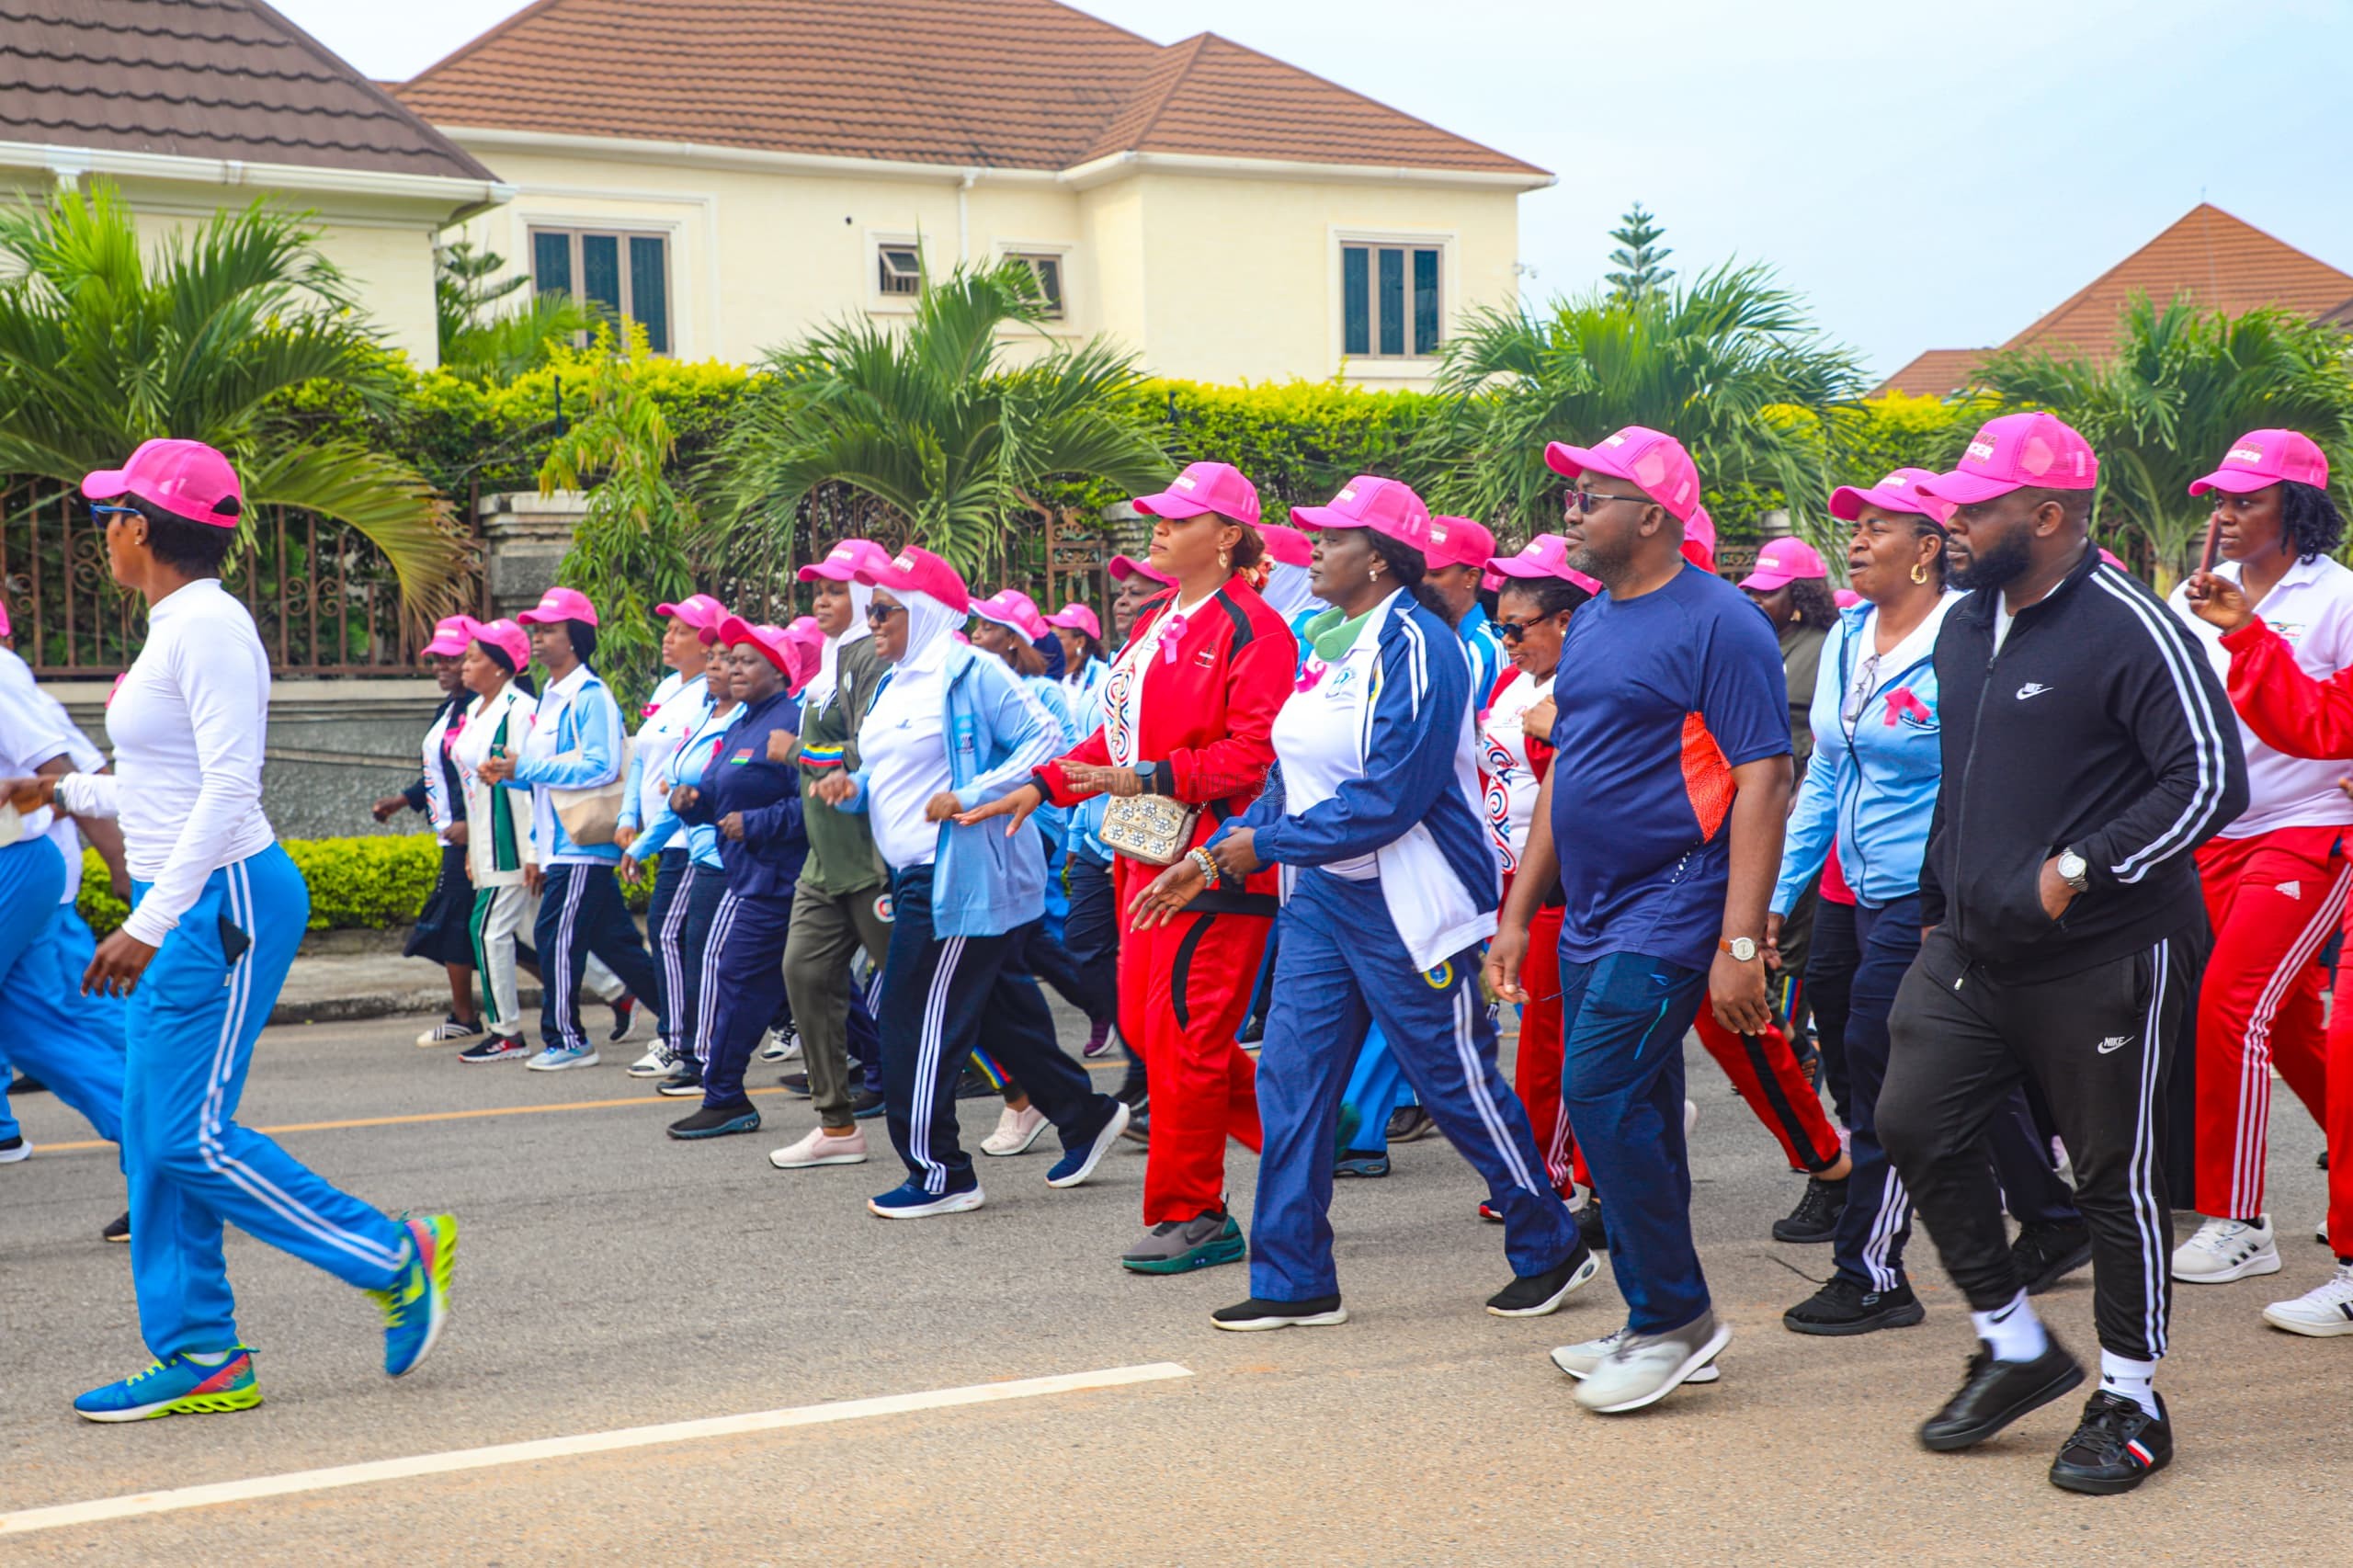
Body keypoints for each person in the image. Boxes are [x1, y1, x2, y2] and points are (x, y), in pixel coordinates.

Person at [12, 439, 454, 1421]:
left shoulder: (207, 626)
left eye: (108, 518)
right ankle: (202, 1352)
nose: (102, 535)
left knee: (184, 1132)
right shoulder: (176, 624)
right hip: (191, 893)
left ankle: (392, 1255)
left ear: (140, 527)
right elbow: (163, 783)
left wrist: (150, 920)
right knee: (151, 1135)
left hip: (223, 899)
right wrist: (60, 791)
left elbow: (228, 786)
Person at [1129, 475, 1596, 1329]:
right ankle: (1293, 1279)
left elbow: (1390, 797)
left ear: (1379, 559)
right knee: (1291, 1082)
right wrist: (1210, 857)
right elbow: (1290, 781)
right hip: (1323, 897)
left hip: (1408, 899)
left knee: (1453, 1081)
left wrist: (1261, 846)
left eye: (1333, 538)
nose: (1313, 550)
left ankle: (1548, 1243)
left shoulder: (1420, 645)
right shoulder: (1331, 644)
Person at [1880, 411, 2245, 1495]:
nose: (1952, 522)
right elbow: (1966, 779)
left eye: (1974, 507)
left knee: (2112, 1176)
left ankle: (2131, 1398)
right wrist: (1942, 896)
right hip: (1971, 944)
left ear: (2045, 517)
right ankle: (2014, 1342)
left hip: (2106, 949)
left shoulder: (2130, 626)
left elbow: (2210, 780)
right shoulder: (1963, 622)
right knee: (1910, 1120)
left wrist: (2079, 866)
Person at [1486, 425, 1789, 1415]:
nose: (1570, 510)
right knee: (1642, 1109)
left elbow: (1763, 777)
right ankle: (1654, 1315)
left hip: (1676, 896)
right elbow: (1567, 772)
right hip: (1593, 905)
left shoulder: (1721, 622)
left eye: (1592, 495)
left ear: (1652, 515)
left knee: (1599, 1091)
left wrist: (1739, 940)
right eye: (1572, 494)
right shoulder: (1597, 621)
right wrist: (1518, 912)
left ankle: (1676, 1319)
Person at [1768, 469, 2084, 1335]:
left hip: (1931, 895)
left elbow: (1988, 778)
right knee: (1914, 1062)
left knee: (1886, 1068)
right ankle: (2053, 1217)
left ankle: (1872, 1271)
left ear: (1929, 548)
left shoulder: (1970, 634)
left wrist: (1967, 894)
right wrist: (1778, 892)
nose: (1856, 539)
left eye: (1879, 526)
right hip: (1848, 889)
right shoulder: (1846, 636)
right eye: (1854, 525)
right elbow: (1826, 773)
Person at [972, 462, 1295, 1270]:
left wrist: (1147, 776)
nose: (1159, 526)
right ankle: (1300, 1133)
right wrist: (1045, 783)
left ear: (1227, 537)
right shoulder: (1158, 620)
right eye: (1160, 514)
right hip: (1141, 852)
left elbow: (1254, 757)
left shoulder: (1256, 629)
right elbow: (1117, 740)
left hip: (1214, 863)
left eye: (1180, 518)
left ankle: (1196, 1213)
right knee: (1152, 1031)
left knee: (1185, 1039)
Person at [824, 548, 1131, 1216]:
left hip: (955, 879)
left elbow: (1045, 740)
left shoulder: (971, 670)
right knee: (994, 1016)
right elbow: (893, 774)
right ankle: (1084, 1115)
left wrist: (971, 793)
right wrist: (855, 788)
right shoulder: (892, 681)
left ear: (928, 612)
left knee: (912, 1019)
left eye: (886, 610)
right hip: (912, 873)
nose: (872, 621)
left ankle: (941, 1173)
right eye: (871, 610)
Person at [2161, 431, 2353, 1287]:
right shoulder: (2191, 595)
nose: (2227, 515)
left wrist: (2248, 635)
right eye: (2221, 501)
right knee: (2293, 1027)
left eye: (2248, 501)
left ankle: (2239, 1219)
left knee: (2230, 1006)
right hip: (2217, 833)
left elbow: (2325, 727)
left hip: (2313, 826)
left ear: (2296, 509)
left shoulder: (2341, 598)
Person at [476, 587, 663, 1071]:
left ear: (576, 638)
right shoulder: (553, 699)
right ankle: (687, 1021)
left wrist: (527, 766)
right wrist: (513, 774)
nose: (538, 638)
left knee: (555, 936)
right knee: (619, 947)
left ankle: (568, 1039)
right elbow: (549, 780)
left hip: (581, 846)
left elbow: (600, 766)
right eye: (536, 630)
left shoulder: (589, 696)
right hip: (561, 844)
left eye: (549, 630)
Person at [1473, 534, 1597, 1201]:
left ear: (1566, 620)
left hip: (1562, 886)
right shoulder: (1512, 682)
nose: (1507, 641)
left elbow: (1603, 780)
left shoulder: (1586, 686)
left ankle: (1546, 1179)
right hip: (1513, 881)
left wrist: (1563, 732)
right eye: (1500, 626)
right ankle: (1576, 1167)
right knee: (1541, 1034)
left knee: (1551, 1040)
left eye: (1517, 627)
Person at [770, 540, 896, 1167]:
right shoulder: (830, 658)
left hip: (868, 857)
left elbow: (867, 750)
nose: (821, 600)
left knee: (923, 988)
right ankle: (838, 1125)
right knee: (805, 973)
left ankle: (1025, 1093)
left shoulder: (871, 656)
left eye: (836, 590)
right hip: (825, 859)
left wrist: (795, 751)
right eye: (817, 590)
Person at [664, 620, 811, 1139]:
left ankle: (724, 1095)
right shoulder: (740, 725)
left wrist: (756, 824)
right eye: (731, 660)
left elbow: (815, 803)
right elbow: (721, 801)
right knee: (820, 988)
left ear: (780, 671)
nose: (733, 669)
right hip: (752, 875)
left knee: (737, 977)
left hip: (781, 879)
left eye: (748, 661)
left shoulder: (792, 723)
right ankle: (879, 1072)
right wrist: (691, 803)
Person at [615, 593, 725, 1077]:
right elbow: (641, 759)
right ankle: (686, 1037)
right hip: (663, 835)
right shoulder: (667, 688)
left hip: (686, 838)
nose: (669, 637)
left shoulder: (711, 694)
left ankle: (679, 1041)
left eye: (682, 631)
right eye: (669, 628)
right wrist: (628, 817)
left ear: (707, 645)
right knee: (671, 935)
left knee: (667, 933)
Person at [370, 617, 484, 1048]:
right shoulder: (449, 710)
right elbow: (439, 771)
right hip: (453, 834)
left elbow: (481, 774)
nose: (441, 667)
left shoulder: (484, 709)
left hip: (474, 836)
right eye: (437, 659)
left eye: (451, 659)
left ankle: (467, 1017)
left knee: (462, 925)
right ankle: (609, 993)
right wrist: (402, 800)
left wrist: (471, 825)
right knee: (483, 927)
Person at [1048, 602, 1110, 711]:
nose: (1051, 643)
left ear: (1080, 642)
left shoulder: (1101, 676)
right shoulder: (1046, 677)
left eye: (1058, 638)